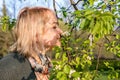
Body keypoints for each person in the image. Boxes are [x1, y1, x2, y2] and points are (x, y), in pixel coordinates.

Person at [0, 7, 63, 80]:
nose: (61, 32)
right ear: (35, 31)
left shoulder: (47, 66)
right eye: (54, 27)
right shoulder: (8, 67)